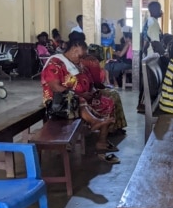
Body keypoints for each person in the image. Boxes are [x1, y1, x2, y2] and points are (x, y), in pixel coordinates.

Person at [40, 35, 120, 164]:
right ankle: (94, 122)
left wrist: (92, 92)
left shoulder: (76, 63)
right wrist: (81, 95)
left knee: (107, 102)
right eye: (81, 55)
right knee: (78, 99)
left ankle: (101, 142)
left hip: (78, 99)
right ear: (74, 49)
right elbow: (55, 87)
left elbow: (89, 81)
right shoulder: (55, 63)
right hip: (59, 103)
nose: (82, 59)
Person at [137, 1, 165, 113]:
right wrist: (165, 54)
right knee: (150, 83)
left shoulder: (150, 21)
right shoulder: (153, 23)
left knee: (147, 82)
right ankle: (145, 106)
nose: (161, 11)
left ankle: (142, 105)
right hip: (152, 57)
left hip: (148, 56)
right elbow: (155, 43)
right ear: (153, 10)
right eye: (159, 9)